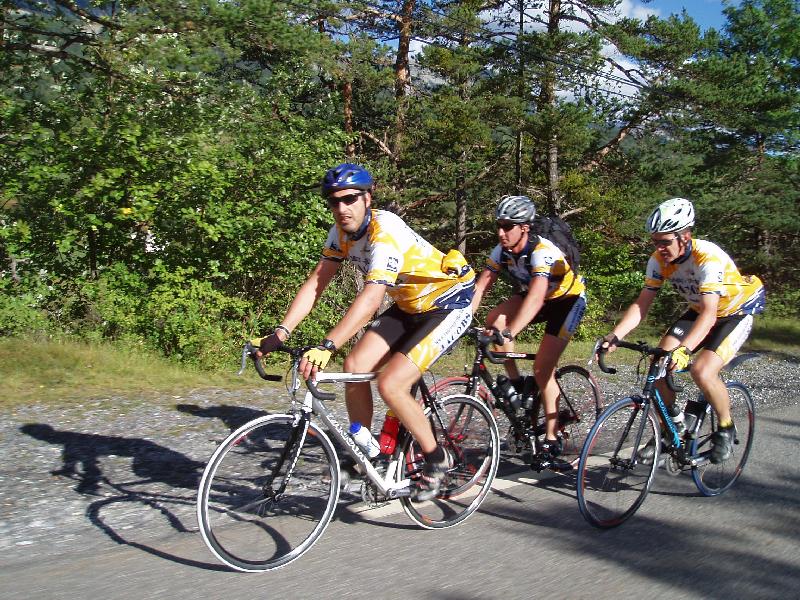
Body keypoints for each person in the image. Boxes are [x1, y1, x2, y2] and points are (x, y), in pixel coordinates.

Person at [255, 163, 475, 500]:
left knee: (391, 383)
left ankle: (437, 458)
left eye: (350, 199)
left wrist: (327, 345)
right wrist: (280, 333)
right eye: (333, 202)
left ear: (367, 197)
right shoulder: (340, 234)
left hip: (449, 303)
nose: (341, 208)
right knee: (355, 368)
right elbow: (316, 283)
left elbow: (372, 298)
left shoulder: (384, 232)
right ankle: (367, 454)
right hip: (410, 305)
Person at [599, 197, 765, 463]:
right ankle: (670, 429)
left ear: (685, 237)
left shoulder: (708, 258)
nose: (659, 248)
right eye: (655, 241)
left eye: (665, 241)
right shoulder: (658, 260)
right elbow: (642, 305)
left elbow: (711, 313)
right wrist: (615, 335)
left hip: (734, 313)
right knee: (659, 362)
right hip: (700, 311)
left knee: (702, 370)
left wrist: (685, 350)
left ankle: (725, 426)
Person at [471, 195, 587, 472]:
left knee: (543, 367)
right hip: (537, 298)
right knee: (492, 319)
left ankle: (551, 438)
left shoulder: (542, 252)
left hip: (566, 302)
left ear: (524, 227)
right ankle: (517, 382)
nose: (501, 232)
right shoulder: (501, 250)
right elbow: (480, 287)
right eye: (499, 225)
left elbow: (534, 301)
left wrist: (508, 332)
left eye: (507, 226)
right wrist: (460, 318)